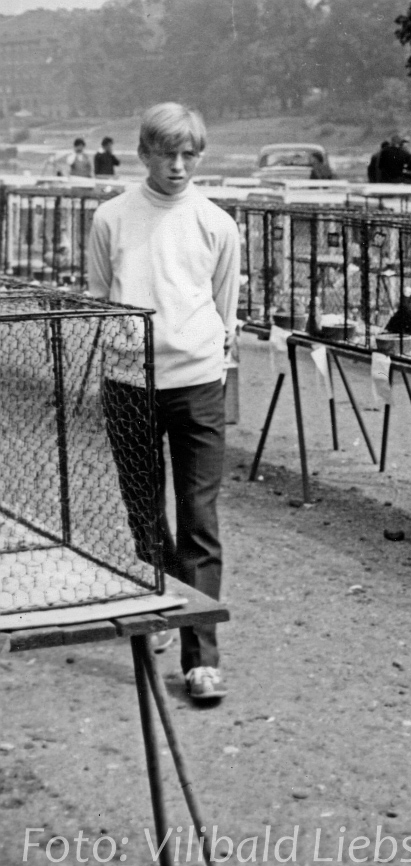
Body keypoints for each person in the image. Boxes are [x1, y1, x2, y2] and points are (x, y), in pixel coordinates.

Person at [86, 102, 240, 703]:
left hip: (197, 385)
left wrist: (213, 369)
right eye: (166, 153)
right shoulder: (111, 218)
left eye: (189, 154)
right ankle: (162, 613)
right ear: (143, 153)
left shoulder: (217, 223)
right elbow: (100, 299)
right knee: (146, 515)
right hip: (128, 385)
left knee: (199, 520)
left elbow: (223, 312)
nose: (178, 166)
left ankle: (202, 658)